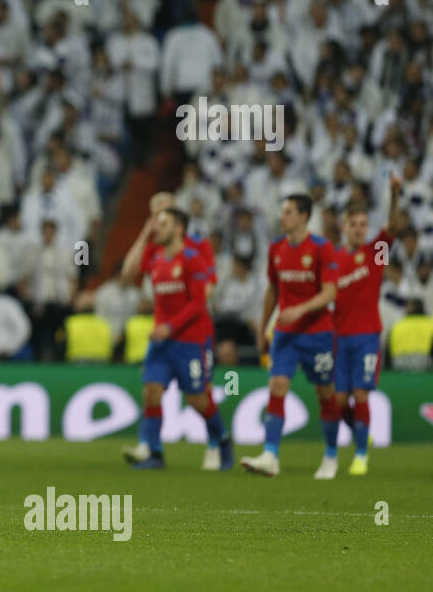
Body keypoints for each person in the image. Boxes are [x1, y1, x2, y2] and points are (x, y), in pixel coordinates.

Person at [123, 208, 230, 470]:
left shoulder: (193, 259)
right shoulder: (156, 257)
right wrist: (144, 233)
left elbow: (197, 303)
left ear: (179, 228)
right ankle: (154, 454)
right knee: (151, 392)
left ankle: (222, 438)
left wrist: (169, 327)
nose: (157, 228)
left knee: (197, 399)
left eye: (164, 224)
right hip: (162, 341)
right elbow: (129, 273)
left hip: (191, 339)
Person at [242, 194, 340, 478]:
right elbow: (272, 289)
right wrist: (263, 328)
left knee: (325, 392)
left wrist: (301, 309)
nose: (282, 216)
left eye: (288, 212)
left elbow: (330, 292)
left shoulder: (322, 248)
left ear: (303, 216)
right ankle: (270, 455)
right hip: (285, 333)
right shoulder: (276, 247)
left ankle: (331, 455)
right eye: (282, 210)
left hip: (317, 333)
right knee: (277, 385)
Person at [329, 176, 401, 477]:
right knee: (336, 399)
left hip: (367, 336)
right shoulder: (332, 259)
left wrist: (395, 195)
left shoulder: (376, 254)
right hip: (338, 338)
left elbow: (394, 228)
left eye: (363, 224)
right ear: (344, 226)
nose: (359, 228)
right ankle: (361, 434)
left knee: (360, 394)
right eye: (354, 223)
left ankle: (360, 455)